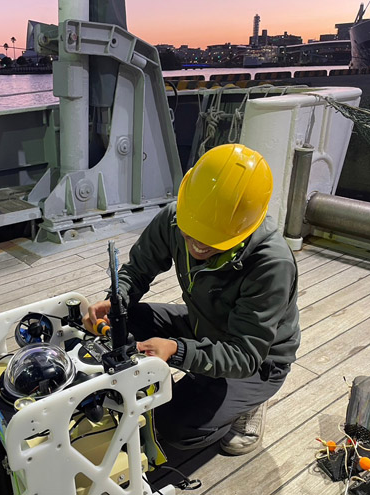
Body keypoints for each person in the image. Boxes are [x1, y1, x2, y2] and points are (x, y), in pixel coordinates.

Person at [84, 143, 300, 455]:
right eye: (189, 235)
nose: (196, 246)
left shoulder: (271, 264)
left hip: (258, 361)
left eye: (211, 242)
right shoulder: (176, 217)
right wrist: (116, 298)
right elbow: (137, 270)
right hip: (202, 324)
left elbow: (245, 354)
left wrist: (176, 351)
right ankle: (195, 378)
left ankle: (249, 403)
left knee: (171, 428)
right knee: (125, 318)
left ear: (242, 230)